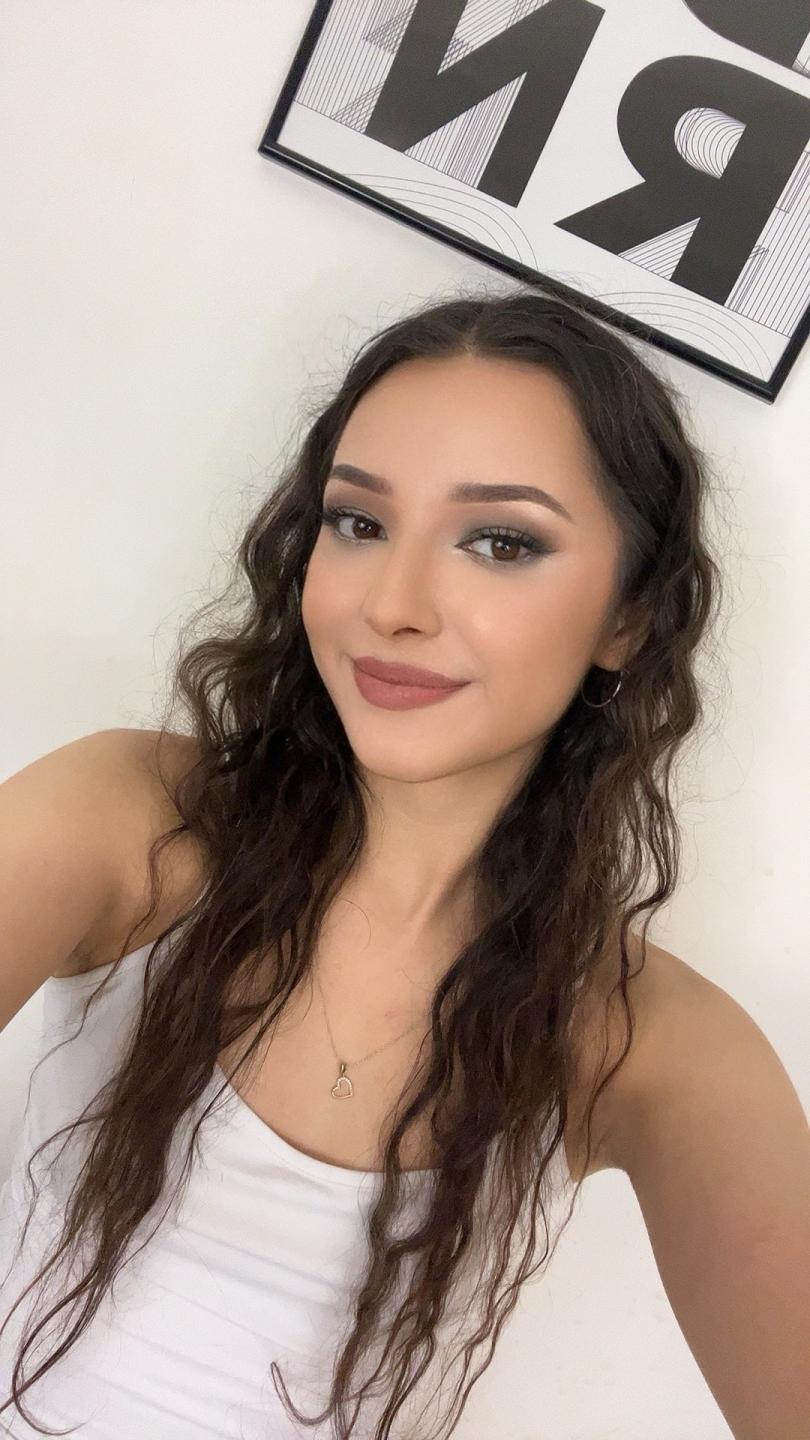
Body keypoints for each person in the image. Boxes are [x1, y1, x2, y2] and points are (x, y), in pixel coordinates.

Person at [1, 288, 807, 1440]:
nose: (393, 604)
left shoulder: (653, 1044)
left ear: (627, 618)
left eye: (502, 542)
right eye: (359, 522)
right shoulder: (129, 823)